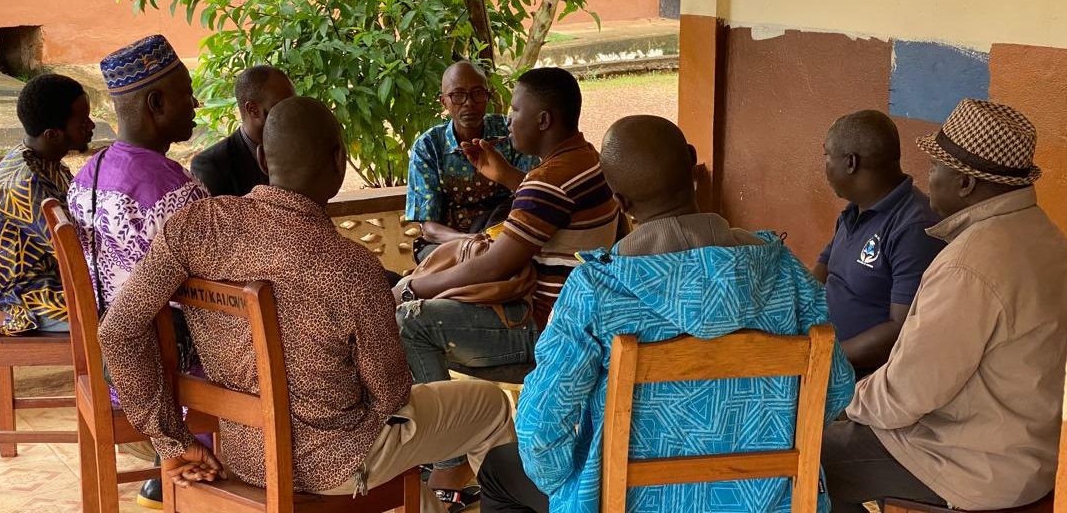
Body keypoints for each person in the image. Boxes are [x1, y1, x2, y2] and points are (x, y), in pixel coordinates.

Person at [96, 96, 515, 513]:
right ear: (339, 162)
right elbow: (390, 392)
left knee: (410, 465)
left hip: (242, 452)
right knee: (490, 406)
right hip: (338, 464)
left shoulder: (196, 226)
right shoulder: (352, 267)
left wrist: (171, 441)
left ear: (262, 158)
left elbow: (117, 331)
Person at [476, 115, 856, 513]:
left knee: (498, 471)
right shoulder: (785, 275)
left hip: (628, 503)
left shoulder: (597, 292)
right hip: (770, 501)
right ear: (692, 165)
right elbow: (837, 387)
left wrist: (574, 487)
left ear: (620, 201)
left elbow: (540, 429)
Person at [823, 99, 1067, 511]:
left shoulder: (969, 264)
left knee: (801, 457)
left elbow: (905, 394)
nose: (929, 176)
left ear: (966, 184)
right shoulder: (1047, 236)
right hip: (1029, 454)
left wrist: (836, 401)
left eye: (936, 166)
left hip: (967, 465)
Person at [394, 66, 619, 499]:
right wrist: (510, 178)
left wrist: (413, 288)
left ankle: (449, 463)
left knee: (410, 321)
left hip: (543, 327)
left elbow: (496, 264)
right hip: (576, 320)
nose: (508, 118)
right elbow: (550, 205)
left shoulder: (550, 180)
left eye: (516, 110)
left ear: (544, 120)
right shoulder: (584, 159)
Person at [64, 34, 210, 509]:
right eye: (187, 94)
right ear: (156, 103)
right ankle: (230, 463)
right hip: (166, 375)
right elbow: (216, 287)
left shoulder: (89, 173)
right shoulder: (169, 188)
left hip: (112, 369)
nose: (196, 104)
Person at [813, 110, 943, 375]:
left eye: (827, 156)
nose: (825, 165)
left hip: (860, 379)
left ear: (851, 162)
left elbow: (901, 331)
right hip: (821, 351)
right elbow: (823, 269)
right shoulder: (855, 210)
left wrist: (823, 356)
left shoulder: (913, 226)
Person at [405, 60, 538, 261]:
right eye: (457, 95)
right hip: (449, 244)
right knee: (438, 259)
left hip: (505, 236)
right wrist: (471, 241)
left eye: (477, 93)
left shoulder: (509, 132)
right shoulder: (428, 146)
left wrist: (504, 173)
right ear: (444, 102)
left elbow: (534, 193)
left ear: (488, 96)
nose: (469, 103)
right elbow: (430, 229)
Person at [0, 74, 94, 335]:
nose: (92, 126)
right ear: (53, 134)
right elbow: (75, 252)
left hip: (59, 279)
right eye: (83, 123)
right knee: (123, 314)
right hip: (27, 297)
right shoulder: (25, 184)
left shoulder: (49, 163)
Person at [191, 65, 295, 196]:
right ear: (252, 109)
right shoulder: (212, 165)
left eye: (293, 103)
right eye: (281, 106)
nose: (292, 112)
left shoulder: (298, 147)